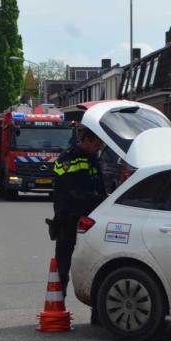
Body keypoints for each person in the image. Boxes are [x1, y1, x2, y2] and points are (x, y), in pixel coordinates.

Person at [51, 126, 106, 305]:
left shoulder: (91, 158)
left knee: (96, 263)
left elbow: (97, 187)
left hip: (90, 221)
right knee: (63, 264)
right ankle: (57, 305)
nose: (99, 148)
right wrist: (102, 201)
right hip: (69, 219)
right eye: (97, 145)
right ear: (87, 140)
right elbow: (74, 192)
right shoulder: (69, 158)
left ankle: (97, 313)